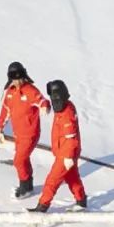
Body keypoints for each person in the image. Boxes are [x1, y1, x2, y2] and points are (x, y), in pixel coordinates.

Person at [29, 79, 86, 213]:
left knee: (52, 180)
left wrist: (68, 157)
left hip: (66, 154)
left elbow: (71, 138)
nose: (54, 100)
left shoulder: (67, 115)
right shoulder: (65, 107)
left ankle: (42, 206)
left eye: (56, 97)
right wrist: (44, 105)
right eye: (52, 97)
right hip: (64, 152)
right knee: (72, 177)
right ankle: (81, 200)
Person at [0, 62, 48, 199]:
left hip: (31, 133)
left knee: (18, 160)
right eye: (14, 79)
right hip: (18, 133)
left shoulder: (30, 90)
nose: (17, 82)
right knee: (23, 159)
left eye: (19, 78)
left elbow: (42, 100)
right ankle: (28, 184)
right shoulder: (9, 93)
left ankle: (25, 187)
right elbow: (5, 111)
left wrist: (44, 107)